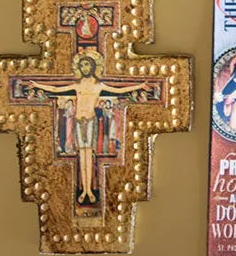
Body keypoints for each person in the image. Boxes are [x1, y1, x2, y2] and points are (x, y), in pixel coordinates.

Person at [28, 51, 149, 205]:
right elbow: (56, 89)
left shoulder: (99, 86)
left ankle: (89, 190)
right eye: (82, 66)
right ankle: (84, 189)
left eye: (87, 65)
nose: (84, 68)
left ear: (92, 67)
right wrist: (37, 85)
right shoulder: (77, 85)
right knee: (81, 155)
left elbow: (119, 90)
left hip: (91, 122)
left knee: (89, 156)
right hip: (78, 122)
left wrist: (140, 86)